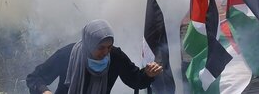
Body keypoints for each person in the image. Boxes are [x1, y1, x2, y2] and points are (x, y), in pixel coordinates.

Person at [26, 19, 163, 94]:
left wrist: (148, 74)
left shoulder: (115, 56)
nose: (105, 52)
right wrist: (44, 92)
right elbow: (34, 78)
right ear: (89, 44)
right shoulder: (68, 55)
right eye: (100, 48)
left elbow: (135, 80)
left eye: (109, 47)